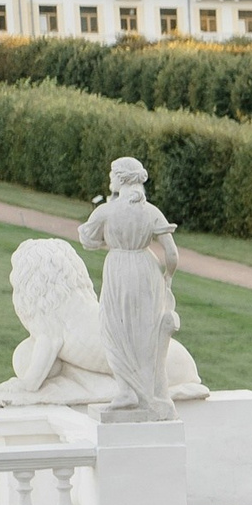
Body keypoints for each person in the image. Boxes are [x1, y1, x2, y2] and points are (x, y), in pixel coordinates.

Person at [75, 157, 182, 421]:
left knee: (115, 329)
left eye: (112, 174)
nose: (110, 179)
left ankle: (127, 390)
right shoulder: (151, 212)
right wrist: (168, 275)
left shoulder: (107, 211)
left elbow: (88, 239)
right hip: (147, 270)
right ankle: (147, 392)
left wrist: (109, 241)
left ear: (121, 179)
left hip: (119, 269)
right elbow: (171, 252)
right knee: (145, 332)